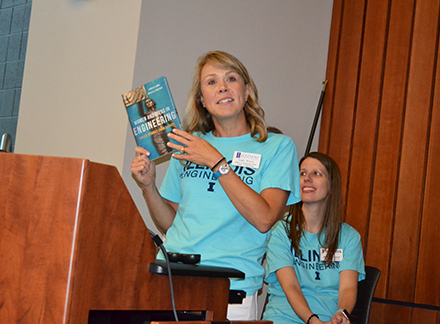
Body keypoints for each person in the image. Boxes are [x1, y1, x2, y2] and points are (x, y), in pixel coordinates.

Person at [131, 51, 300, 320]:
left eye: (231, 79)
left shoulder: (277, 147)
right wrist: (148, 187)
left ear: (246, 92)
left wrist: (217, 162)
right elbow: (170, 223)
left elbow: (265, 218)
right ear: (202, 100)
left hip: (231, 288)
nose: (222, 87)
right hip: (173, 281)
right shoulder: (188, 145)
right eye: (211, 82)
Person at [263, 152, 365, 324]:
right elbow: (291, 287)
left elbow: (348, 288)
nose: (307, 178)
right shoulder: (281, 231)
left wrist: (341, 313)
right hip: (283, 318)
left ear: (332, 185)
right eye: (302, 173)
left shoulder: (349, 237)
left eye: (316, 174)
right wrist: (312, 321)